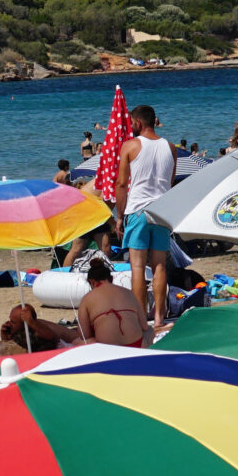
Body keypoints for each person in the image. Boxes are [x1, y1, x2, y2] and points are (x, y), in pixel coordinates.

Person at [114, 105, 177, 327]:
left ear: (138, 123)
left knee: (138, 267)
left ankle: (141, 319)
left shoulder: (130, 145)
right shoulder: (170, 147)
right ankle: (159, 317)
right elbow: (170, 182)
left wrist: (120, 216)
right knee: (160, 266)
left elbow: (122, 184)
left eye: (132, 123)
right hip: (162, 210)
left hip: (139, 210)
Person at [75, 251, 148, 346]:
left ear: (91, 282)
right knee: (149, 331)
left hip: (108, 349)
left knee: (76, 342)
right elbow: (144, 326)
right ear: (111, 278)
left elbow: (84, 335)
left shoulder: (86, 299)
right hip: (135, 345)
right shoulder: (128, 292)